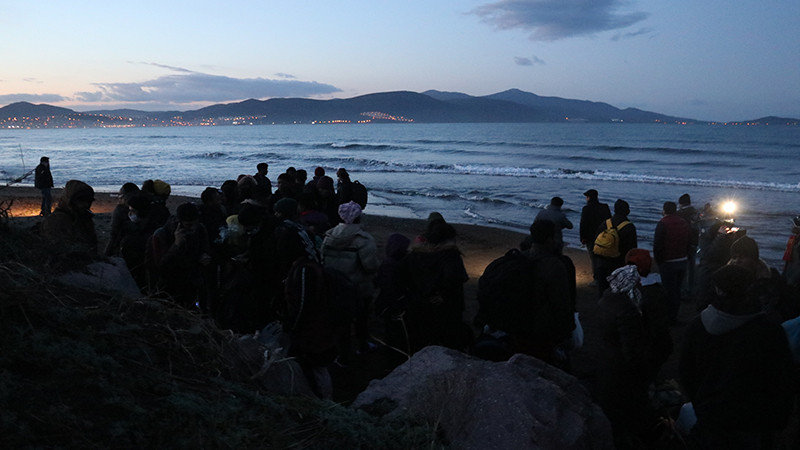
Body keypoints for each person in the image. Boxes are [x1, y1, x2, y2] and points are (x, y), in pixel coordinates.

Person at [680, 264, 795, 448]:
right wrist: (777, 419)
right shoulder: (769, 329)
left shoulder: (697, 326)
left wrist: (700, 403)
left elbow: (687, 372)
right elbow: (783, 378)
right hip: (754, 420)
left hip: (711, 415)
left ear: (718, 289)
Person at [398, 215, 470, 352]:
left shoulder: (414, 255)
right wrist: (444, 294)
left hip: (419, 306)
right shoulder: (450, 256)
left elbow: (401, 276)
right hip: (446, 309)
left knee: (422, 343)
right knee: (448, 344)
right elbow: (454, 278)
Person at [322, 201, 380, 358]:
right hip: (359, 287)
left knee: (342, 322)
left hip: (335, 286)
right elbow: (371, 266)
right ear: (358, 217)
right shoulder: (363, 239)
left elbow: (323, 260)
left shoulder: (328, 236)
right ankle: (362, 346)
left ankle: (343, 355)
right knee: (361, 319)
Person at [148, 202, 212, 308]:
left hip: (193, 283)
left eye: (195, 224)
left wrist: (205, 257)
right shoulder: (161, 235)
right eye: (189, 225)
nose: (193, 228)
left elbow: (206, 250)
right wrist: (176, 245)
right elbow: (160, 265)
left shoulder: (200, 229)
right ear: (179, 222)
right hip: (169, 287)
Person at [653, 201, 690, 324]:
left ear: (664, 210)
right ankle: (673, 315)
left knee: (668, 290)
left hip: (668, 261)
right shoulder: (684, 222)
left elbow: (657, 245)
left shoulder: (663, 223)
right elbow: (689, 241)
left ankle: (668, 317)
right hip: (682, 260)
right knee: (677, 290)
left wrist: (659, 261)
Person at [594, 199, 637, 296]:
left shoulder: (605, 223)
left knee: (603, 289)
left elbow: (596, 240)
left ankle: (602, 306)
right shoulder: (629, 226)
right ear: (627, 211)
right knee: (619, 290)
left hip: (602, 261)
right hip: (619, 263)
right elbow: (632, 249)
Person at [41, 179, 97, 252]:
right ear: (71, 201)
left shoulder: (85, 217)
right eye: (81, 200)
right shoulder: (58, 220)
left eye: (88, 201)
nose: (85, 204)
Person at [580, 189, 611, 286]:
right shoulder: (605, 207)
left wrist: (582, 237)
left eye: (587, 197)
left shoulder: (586, 208)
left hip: (591, 237)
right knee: (605, 257)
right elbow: (609, 220)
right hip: (605, 235)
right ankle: (607, 277)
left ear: (589, 198)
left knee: (594, 258)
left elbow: (583, 224)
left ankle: (597, 279)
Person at [104, 182, 140, 257]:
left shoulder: (120, 210)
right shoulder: (147, 206)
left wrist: (106, 255)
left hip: (125, 248)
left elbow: (114, 234)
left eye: (121, 196)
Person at [677, 194, 700, 300]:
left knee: (683, 267)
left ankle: (684, 290)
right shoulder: (696, 212)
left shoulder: (679, 214)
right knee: (692, 267)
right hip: (694, 241)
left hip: (683, 242)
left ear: (681, 203)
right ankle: (692, 289)